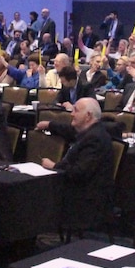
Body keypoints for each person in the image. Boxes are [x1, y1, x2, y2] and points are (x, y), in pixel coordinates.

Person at [35, 97, 114, 231]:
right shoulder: (91, 132)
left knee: (34, 192)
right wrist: (49, 125)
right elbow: (70, 130)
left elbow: (79, 172)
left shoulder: (95, 139)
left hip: (86, 197)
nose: (71, 114)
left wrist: (54, 166)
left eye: (76, 111)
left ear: (88, 116)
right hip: (81, 189)